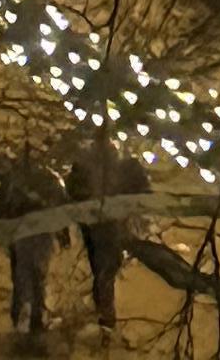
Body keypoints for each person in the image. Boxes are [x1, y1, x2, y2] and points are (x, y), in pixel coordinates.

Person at [68, 140, 149, 332]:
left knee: (103, 268)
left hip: (97, 224)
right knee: (105, 268)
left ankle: (104, 312)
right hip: (105, 225)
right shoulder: (111, 169)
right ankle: (105, 313)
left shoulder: (93, 165)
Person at [0, 154, 63, 344]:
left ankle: (23, 308)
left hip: (21, 232)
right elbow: (61, 208)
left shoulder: (14, 180)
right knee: (39, 274)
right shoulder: (51, 179)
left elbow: (3, 209)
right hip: (43, 232)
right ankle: (38, 314)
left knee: (22, 272)